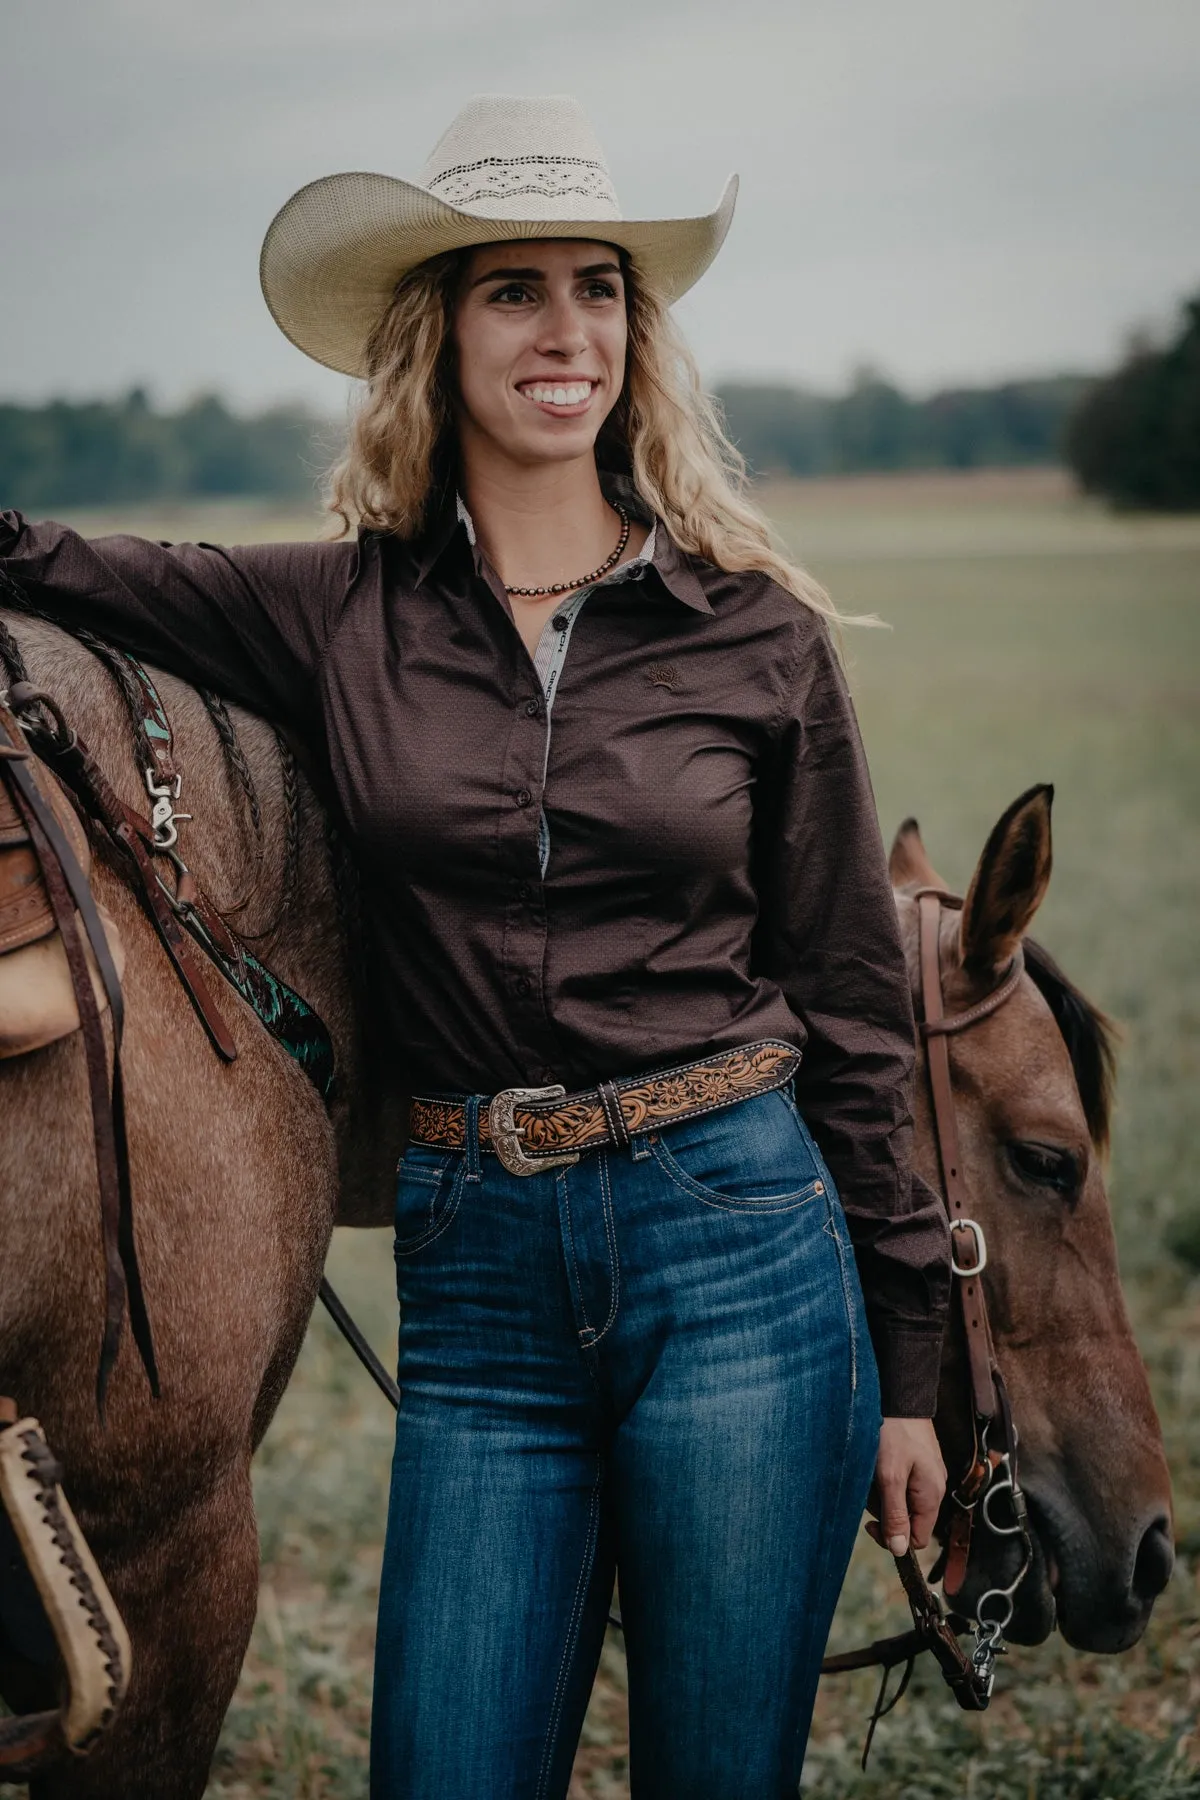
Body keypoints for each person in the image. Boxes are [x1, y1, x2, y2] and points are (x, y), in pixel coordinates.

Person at [1, 94, 950, 1799]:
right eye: (513, 291)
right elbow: (56, 566)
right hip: (480, 1274)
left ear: (634, 337)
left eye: (597, 287)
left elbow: (855, 1011)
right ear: (438, 335)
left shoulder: (756, 635)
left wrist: (912, 1377)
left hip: (739, 1247)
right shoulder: (338, 612)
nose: (564, 329)